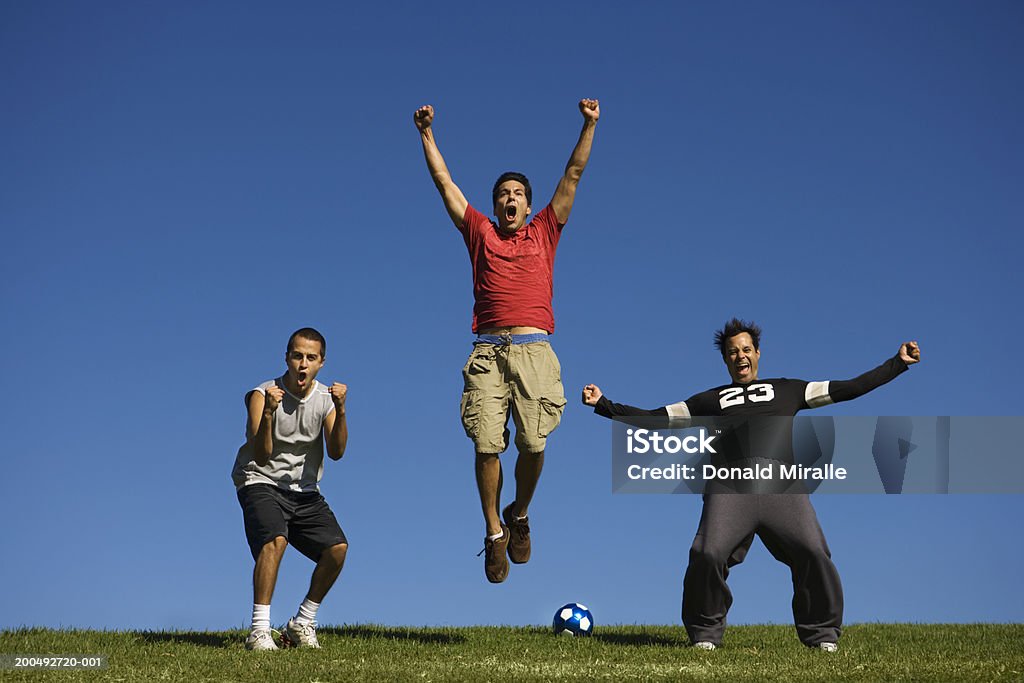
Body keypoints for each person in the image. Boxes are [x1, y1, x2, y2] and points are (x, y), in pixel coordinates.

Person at [583, 318, 921, 651]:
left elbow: (850, 387)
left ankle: (822, 637)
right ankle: (704, 635)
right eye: (732, 352)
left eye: (746, 349)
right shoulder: (709, 401)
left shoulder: (789, 389)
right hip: (729, 488)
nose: (740, 356)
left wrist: (897, 364)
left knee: (814, 552)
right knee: (706, 553)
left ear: (758, 353)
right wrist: (604, 405)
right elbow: (657, 419)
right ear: (725, 360)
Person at [414, 99, 600, 583]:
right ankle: (494, 531)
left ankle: (519, 513)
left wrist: (589, 124)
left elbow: (574, 174)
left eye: (517, 193)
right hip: (487, 351)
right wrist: (427, 134)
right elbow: (444, 185)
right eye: (502, 194)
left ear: (528, 203)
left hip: (536, 350)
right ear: (495, 204)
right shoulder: (479, 232)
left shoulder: (545, 231)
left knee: (534, 444)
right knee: (485, 444)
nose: (510, 199)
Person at [231, 327, 349, 650]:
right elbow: (260, 454)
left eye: (311, 358)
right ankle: (259, 630)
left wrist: (340, 410)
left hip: (304, 491)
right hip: (260, 480)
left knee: (337, 549)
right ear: (286, 358)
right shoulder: (261, 395)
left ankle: (302, 622)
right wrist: (269, 412)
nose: (303, 364)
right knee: (275, 539)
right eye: (297, 356)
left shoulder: (325, 400)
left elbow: (337, 452)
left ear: (321, 363)